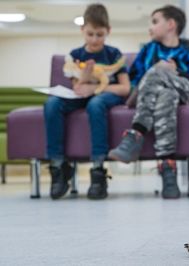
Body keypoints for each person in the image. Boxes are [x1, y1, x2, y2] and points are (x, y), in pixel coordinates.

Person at [108, 5, 189, 199]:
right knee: (166, 95)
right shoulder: (148, 49)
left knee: (159, 69)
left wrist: (175, 70)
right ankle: (168, 169)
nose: (150, 27)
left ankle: (136, 133)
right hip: (160, 95)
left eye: (155, 22)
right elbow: (134, 81)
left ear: (171, 24)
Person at [44, 3, 130, 199]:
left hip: (105, 96)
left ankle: (98, 171)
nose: (94, 39)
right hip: (81, 95)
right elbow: (77, 86)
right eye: (90, 34)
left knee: (96, 103)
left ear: (108, 31)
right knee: (52, 104)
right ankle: (58, 168)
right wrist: (85, 75)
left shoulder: (113, 54)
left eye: (99, 34)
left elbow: (124, 88)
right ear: (82, 30)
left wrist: (95, 88)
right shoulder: (76, 55)